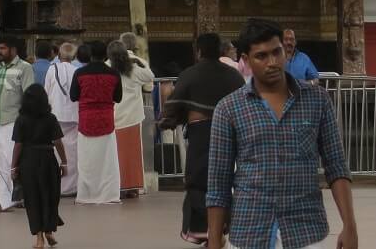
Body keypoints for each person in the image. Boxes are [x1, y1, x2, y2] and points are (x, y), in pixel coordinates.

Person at [206, 18, 357, 249]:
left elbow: (336, 165)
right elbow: (218, 181)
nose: (272, 62)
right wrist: (215, 239)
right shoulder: (228, 109)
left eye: (277, 52)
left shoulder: (317, 100)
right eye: (261, 56)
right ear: (245, 60)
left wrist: (350, 225)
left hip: (306, 231)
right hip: (250, 231)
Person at [159, 33, 243, 245]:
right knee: (226, 181)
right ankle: (222, 229)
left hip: (201, 135)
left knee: (198, 181)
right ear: (221, 51)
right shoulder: (233, 76)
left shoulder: (190, 74)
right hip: (231, 134)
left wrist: (167, 121)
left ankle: (208, 233)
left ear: (198, 51)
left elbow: (173, 107)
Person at [12, 84, 65, 249]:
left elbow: (18, 145)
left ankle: (40, 238)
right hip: (48, 160)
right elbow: (57, 142)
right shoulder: (51, 118)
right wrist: (64, 161)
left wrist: (13, 166)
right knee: (50, 197)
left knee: (32, 199)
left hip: (28, 161)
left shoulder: (21, 120)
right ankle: (49, 230)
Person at [69, 41, 121, 206]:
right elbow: (118, 97)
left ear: (90, 55)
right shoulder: (114, 74)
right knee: (108, 162)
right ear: (106, 55)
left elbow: (73, 96)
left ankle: (86, 194)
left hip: (86, 120)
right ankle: (109, 195)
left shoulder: (79, 73)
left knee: (86, 161)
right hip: (106, 120)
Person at [0, 35, 36, 212]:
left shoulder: (25, 68)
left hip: (14, 122)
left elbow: (29, 96)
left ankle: (21, 196)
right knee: (0, 162)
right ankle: (6, 201)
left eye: (3, 48)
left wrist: (27, 123)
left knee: (14, 161)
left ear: (13, 49)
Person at [108, 40, 153, 200]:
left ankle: (117, 186)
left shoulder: (107, 67)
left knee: (115, 154)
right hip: (133, 116)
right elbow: (150, 75)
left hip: (113, 115)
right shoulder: (134, 68)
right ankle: (133, 188)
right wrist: (138, 60)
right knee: (133, 155)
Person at [44, 41, 81, 197]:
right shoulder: (76, 71)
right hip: (73, 115)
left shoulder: (52, 70)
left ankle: (57, 186)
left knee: (57, 150)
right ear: (73, 56)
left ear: (59, 55)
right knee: (72, 151)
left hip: (56, 114)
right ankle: (71, 187)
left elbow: (46, 91)